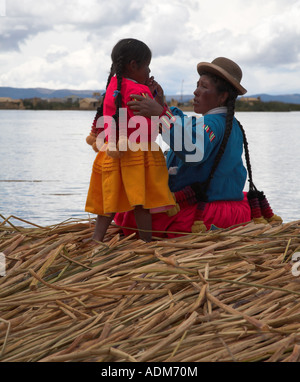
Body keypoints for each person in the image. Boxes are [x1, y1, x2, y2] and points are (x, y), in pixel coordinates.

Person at [114, 56, 281, 238]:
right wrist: (162, 105)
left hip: (203, 214)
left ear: (223, 96)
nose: (195, 92)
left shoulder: (212, 123)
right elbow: (186, 127)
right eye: (197, 85)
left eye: (203, 87)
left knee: (129, 216)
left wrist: (160, 115)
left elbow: (192, 151)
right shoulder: (229, 122)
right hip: (230, 207)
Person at [85, 38, 175, 242]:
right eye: (147, 66)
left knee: (110, 197)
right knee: (140, 201)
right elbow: (153, 125)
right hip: (137, 154)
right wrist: (159, 103)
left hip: (111, 151)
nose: (149, 72)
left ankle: (97, 238)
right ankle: (146, 241)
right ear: (134, 65)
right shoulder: (138, 91)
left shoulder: (112, 89)